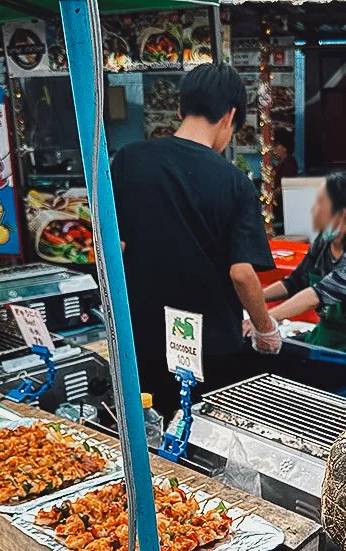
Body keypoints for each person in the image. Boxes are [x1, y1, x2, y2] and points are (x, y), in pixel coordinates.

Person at [111, 63, 279, 419]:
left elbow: (115, 249)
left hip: (141, 341)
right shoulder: (234, 182)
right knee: (204, 442)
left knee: (150, 431)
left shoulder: (129, 160)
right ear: (230, 115)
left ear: (179, 109)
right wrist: (266, 330)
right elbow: (242, 274)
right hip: (211, 350)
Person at [257, 173, 346, 359]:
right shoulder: (324, 244)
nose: (313, 210)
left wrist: (264, 321)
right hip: (333, 335)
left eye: (320, 203)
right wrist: (255, 298)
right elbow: (294, 282)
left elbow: (316, 296)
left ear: (340, 213)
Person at [271, 128, 298, 228]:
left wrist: (272, 195)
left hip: (283, 207)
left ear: (285, 147)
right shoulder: (280, 163)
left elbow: (286, 185)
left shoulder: (289, 162)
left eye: (277, 145)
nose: (274, 149)